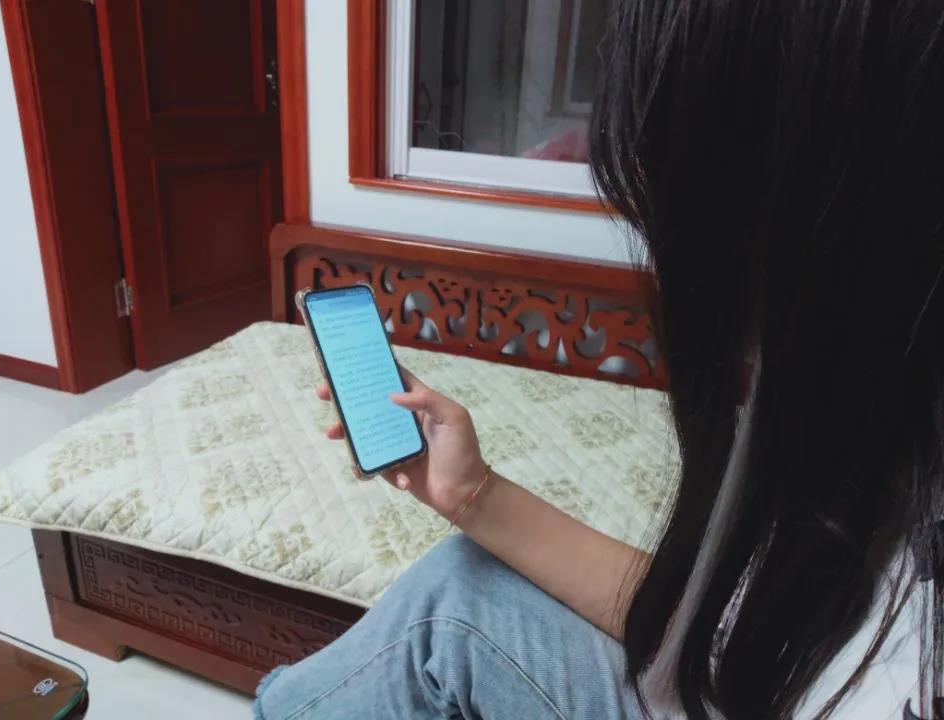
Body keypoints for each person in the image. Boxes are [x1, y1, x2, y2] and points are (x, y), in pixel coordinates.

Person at [254, 0, 944, 717]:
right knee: (456, 592)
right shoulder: (862, 415)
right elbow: (721, 624)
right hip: (730, 680)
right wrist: (470, 493)